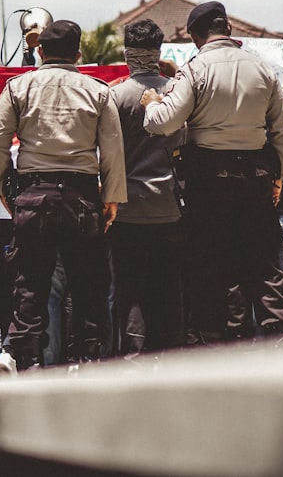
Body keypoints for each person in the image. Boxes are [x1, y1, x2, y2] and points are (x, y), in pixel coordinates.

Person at [142, 1, 283, 344]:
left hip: (210, 180)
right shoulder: (263, 69)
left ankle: (228, 343)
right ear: (228, 29)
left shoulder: (195, 69)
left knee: (216, 266)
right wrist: (281, 177)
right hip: (257, 175)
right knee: (266, 264)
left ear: (196, 36)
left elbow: (163, 122)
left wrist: (153, 102)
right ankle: (281, 339)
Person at [0, 19, 127, 370]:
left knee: (29, 281)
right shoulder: (98, 91)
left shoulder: (18, 87)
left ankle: (24, 356)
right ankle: (86, 358)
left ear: (40, 51)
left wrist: (2, 187)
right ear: (78, 55)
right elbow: (112, 150)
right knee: (87, 285)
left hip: (34, 195)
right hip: (82, 198)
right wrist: (111, 198)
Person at [108, 19, 186, 355]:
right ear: (159, 53)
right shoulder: (178, 93)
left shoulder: (114, 95)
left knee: (129, 288)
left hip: (126, 209)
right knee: (169, 286)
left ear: (127, 54)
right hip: (171, 206)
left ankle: (133, 356)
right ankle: (168, 357)